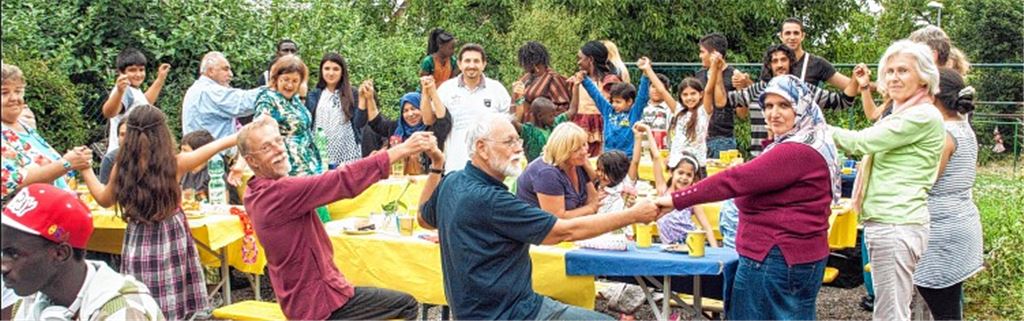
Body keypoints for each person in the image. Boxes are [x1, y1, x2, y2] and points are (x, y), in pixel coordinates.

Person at [418, 113, 660, 320]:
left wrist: (437, 165)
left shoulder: (452, 181)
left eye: (518, 140)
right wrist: (633, 215)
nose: (518, 148)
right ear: (481, 147)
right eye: (509, 142)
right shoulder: (492, 200)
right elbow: (563, 231)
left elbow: (423, 218)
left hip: (474, 311)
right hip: (512, 312)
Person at [656, 75, 841, 320]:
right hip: (797, 255)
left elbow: (735, 180)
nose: (774, 113)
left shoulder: (796, 150)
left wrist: (675, 199)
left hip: (774, 255)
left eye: (784, 105)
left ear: (802, 106)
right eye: (768, 106)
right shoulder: (813, 140)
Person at [239, 116, 424, 320]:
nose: (279, 150)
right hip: (320, 304)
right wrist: (403, 149)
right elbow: (342, 179)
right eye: (266, 147)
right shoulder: (279, 193)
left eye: (279, 141)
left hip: (305, 300)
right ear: (251, 161)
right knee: (405, 305)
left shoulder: (253, 191)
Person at [80, 105, 240, 320]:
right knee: (173, 299)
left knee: (142, 298)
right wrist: (244, 134)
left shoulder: (124, 166)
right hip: (172, 236)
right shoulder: (175, 163)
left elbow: (104, 200)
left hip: (138, 238)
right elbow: (219, 144)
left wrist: (85, 169)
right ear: (162, 134)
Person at [830, 40, 945, 321]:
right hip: (888, 222)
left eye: (903, 70)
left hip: (896, 223)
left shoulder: (921, 115)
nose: (894, 77)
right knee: (889, 308)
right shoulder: (905, 111)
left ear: (924, 77)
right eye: (890, 71)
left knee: (891, 313)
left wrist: (813, 127)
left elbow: (861, 142)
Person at [2, 184, 164, 321]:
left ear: (60, 254)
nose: (3, 266)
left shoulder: (123, 312)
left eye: (13, 253)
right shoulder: (33, 298)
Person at [913, 68, 982, 321]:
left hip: (943, 233)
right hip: (961, 222)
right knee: (948, 307)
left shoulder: (943, 136)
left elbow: (924, 181)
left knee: (944, 310)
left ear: (933, 95)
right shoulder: (964, 128)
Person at [731, 44, 859, 157]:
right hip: (760, 156)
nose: (780, 65)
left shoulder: (803, 90)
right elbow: (722, 102)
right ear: (769, 65)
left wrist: (855, 78)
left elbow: (843, 101)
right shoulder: (757, 89)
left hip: (794, 156)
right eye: (775, 61)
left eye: (783, 60)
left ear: (791, 62)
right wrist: (718, 72)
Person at [2, 63, 92, 200]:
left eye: (18, 91)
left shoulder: (25, 126)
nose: (14, 98)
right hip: (22, 216)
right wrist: (66, 163)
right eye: (4, 93)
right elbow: (16, 182)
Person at [428, 43, 511, 173]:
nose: (471, 65)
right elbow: (430, 119)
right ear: (460, 64)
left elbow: (508, 126)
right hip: (456, 165)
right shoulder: (446, 89)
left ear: (484, 64)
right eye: (467, 61)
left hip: (490, 167)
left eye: (476, 61)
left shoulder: (497, 89)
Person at [517, 123, 600, 219]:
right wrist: (590, 209)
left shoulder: (577, 163)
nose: (584, 151)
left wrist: (588, 168)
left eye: (584, 144)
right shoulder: (547, 174)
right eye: (576, 149)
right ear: (562, 151)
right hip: (537, 229)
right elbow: (557, 218)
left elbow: (593, 198)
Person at [578, 56, 653, 157]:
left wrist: (645, 74)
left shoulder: (634, 113)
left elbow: (642, 96)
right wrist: (585, 80)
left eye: (618, 102)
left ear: (629, 101)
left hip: (627, 156)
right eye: (613, 101)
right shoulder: (608, 110)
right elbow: (596, 95)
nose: (614, 105)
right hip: (608, 155)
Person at [181, 51, 262, 144]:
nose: (231, 74)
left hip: (200, 153)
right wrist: (273, 88)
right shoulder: (209, 91)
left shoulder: (196, 89)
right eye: (225, 69)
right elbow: (243, 102)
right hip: (213, 155)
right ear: (211, 71)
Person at [101, 48, 171, 153]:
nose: (138, 74)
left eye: (141, 70)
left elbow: (145, 104)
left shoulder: (134, 90)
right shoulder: (125, 89)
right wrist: (119, 92)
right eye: (132, 70)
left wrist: (160, 79)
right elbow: (109, 112)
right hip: (123, 154)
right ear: (121, 72)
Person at [305, 52, 366, 166]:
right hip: (320, 155)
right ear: (321, 71)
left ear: (342, 71)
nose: (331, 73)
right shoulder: (314, 95)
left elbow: (360, 123)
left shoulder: (352, 93)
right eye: (327, 69)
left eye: (336, 69)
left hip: (348, 155)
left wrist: (363, 100)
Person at [652, 149, 717, 247]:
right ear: (671, 172)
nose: (684, 177)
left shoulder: (691, 199)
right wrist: (645, 133)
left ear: (694, 179)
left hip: (690, 245)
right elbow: (656, 157)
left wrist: (715, 251)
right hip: (669, 248)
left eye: (689, 175)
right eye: (680, 173)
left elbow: (707, 227)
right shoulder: (663, 191)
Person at [694, 34, 743, 158]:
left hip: (723, 140)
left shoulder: (735, 76)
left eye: (702, 52)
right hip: (700, 139)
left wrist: (740, 88)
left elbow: (742, 114)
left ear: (714, 54)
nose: (700, 56)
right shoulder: (699, 75)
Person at [572, 41, 622, 157]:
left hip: (603, 127)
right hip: (581, 126)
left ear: (590, 60)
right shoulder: (579, 79)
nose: (578, 62)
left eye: (581, 58)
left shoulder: (610, 81)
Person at [777, 17, 851, 88]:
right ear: (781, 36)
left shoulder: (817, 64)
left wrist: (860, 79)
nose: (792, 37)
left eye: (796, 33)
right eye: (787, 33)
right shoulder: (772, 64)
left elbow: (851, 87)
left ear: (802, 36)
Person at [511, 41, 571, 121]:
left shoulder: (552, 78)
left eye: (524, 62)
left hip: (544, 129)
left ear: (533, 62)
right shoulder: (526, 79)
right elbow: (520, 101)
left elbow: (563, 107)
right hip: (526, 127)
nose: (523, 66)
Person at [668, 77, 712, 171]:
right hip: (676, 164)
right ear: (680, 96)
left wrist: (715, 68)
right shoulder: (678, 110)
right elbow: (662, 91)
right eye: (685, 94)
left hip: (697, 166)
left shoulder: (704, 111)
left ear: (701, 94)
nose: (689, 98)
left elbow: (708, 90)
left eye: (693, 93)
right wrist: (648, 69)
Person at [514, 97, 567, 162]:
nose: (554, 118)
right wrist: (518, 98)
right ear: (540, 116)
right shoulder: (529, 131)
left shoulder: (553, 125)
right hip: (536, 169)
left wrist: (575, 88)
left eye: (554, 116)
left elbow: (572, 111)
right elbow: (512, 122)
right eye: (551, 116)